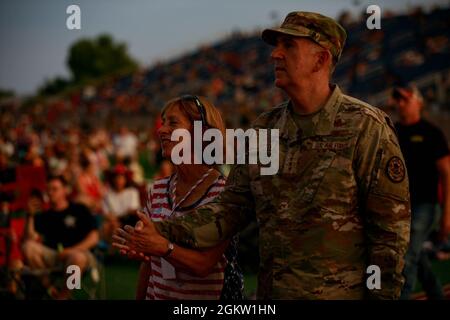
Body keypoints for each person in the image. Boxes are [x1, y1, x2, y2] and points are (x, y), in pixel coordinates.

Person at [117, 12, 411, 299]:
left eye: (289, 46)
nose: (275, 55)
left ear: (321, 59)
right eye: (276, 46)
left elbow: (389, 235)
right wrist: (161, 230)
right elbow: (229, 209)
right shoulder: (264, 129)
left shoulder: (365, 127)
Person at [113, 96, 244, 300]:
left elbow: (203, 265)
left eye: (173, 123)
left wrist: (163, 247)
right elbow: (148, 265)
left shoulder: (223, 192)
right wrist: (141, 246)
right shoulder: (157, 189)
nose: (161, 130)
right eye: (163, 122)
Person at [392, 85, 450, 299]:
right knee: (418, 259)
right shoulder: (393, 131)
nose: (399, 103)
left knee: (406, 259)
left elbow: (447, 174)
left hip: (425, 205)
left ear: (419, 102)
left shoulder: (431, 133)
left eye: (405, 99)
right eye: (397, 100)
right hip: (401, 207)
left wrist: (446, 214)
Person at [22, 175, 99, 299]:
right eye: (48, 189)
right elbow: (29, 238)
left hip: (79, 254)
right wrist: (30, 216)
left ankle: (64, 295)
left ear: (65, 190)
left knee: (77, 259)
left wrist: (71, 251)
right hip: (54, 256)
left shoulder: (79, 209)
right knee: (28, 247)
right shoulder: (44, 215)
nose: (50, 192)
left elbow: (94, 237)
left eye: (55, 189)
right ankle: (49, 287)